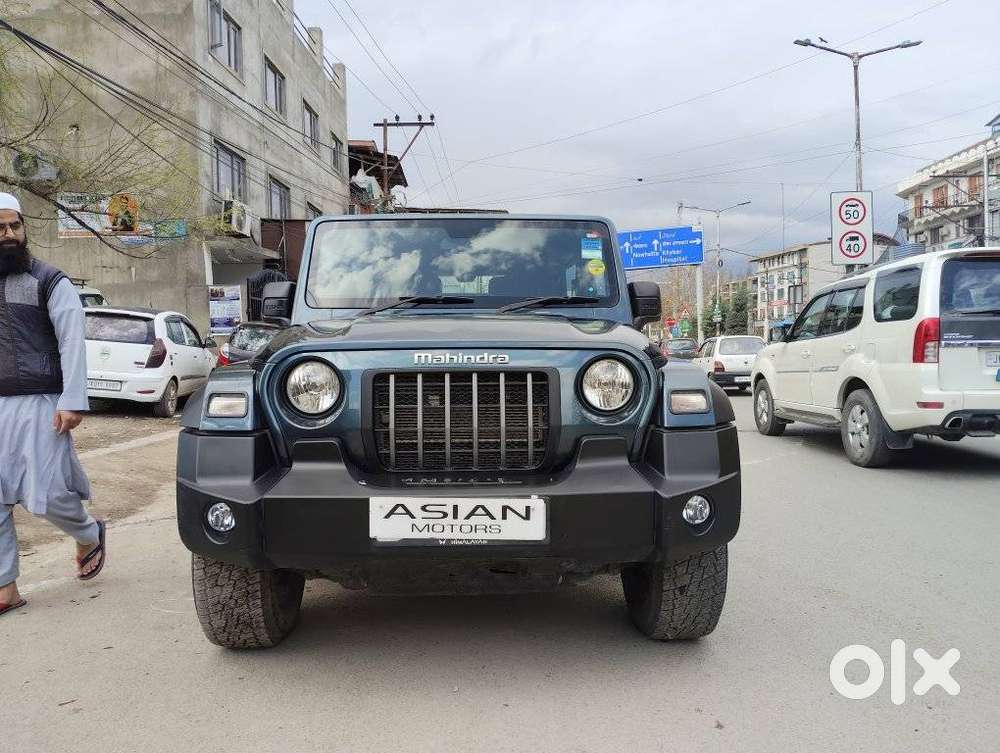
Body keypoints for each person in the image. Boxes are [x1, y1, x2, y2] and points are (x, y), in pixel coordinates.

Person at [0, 192, 105, 617]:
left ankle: (88, 532)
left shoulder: (49, 280)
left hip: (42, 401)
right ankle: (5, 588)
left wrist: (73, 399)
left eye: (14, 226)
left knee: (44, 496)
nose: (8, 235)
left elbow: (72, 342)